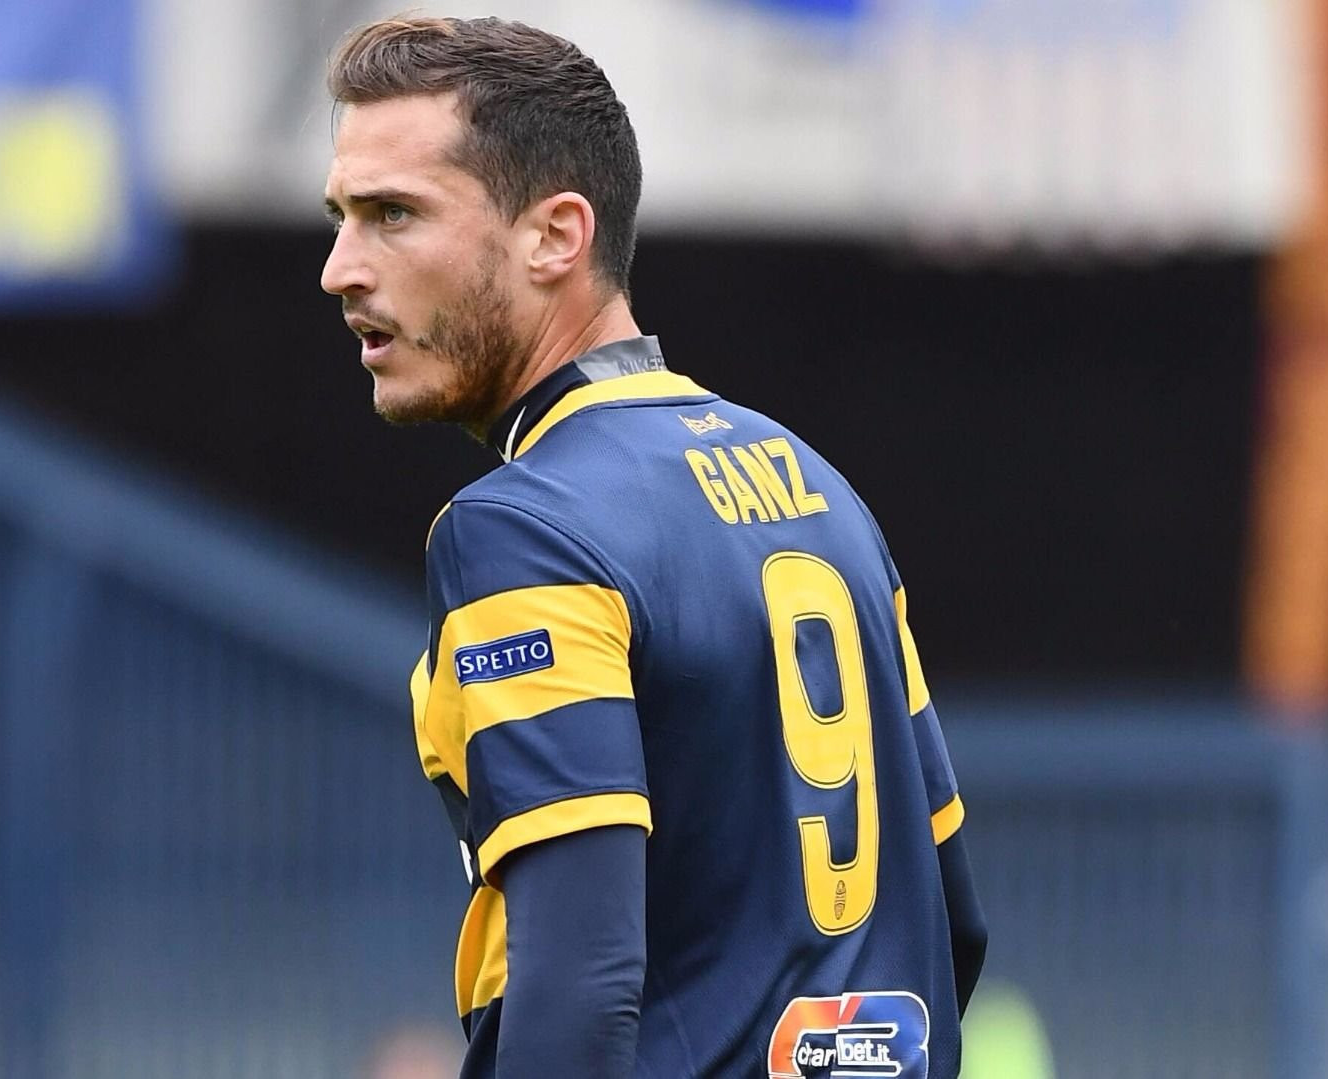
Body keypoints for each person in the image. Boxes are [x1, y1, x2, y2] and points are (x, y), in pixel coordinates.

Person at [320, 15, 986, 1077]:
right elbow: (954, 925)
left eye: (392, 213)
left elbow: (581, 986)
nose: (340, 269)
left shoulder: (524, 530)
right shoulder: (822, 491)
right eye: (342, 218)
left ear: (556, 236)